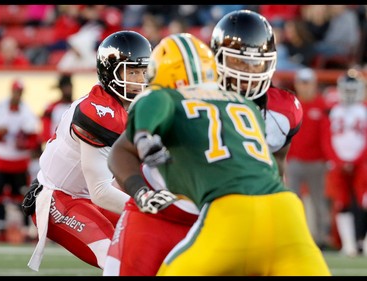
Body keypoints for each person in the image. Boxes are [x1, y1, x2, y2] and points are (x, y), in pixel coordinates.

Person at [107, 29, 331, 276]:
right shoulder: (245, 105)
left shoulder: (164, 97)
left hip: (226, 212)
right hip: (286, 210)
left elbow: (156, 102)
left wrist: (143, 136)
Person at [21, 30, 152, 272]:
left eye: (143, 71)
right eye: (132, 71)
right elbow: (101, 192)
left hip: (86, 195)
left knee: (153, 246)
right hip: (58, 197)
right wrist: (150, 205)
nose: (139, 79)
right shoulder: (99, 113)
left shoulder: (130, 108)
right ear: (110, 72)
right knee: (120, 260)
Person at [103, 33, 208, 276]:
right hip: (153, 216)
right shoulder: (156, 100)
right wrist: (140, 191)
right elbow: (120, 152)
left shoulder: (231, 106)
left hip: (207, 221)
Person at [209, 9, 303, 179]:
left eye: (256, 63)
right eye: (238, 61)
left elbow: (278, 169)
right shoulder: (198, 99)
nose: (248, 71)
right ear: (217, 59)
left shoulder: (283, 111)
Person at [322, 69, 367, 257]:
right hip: (338, 164)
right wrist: (338, 160)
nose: (349, 93)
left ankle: (364, 244)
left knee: (365, 200)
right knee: (341, 203)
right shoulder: (333, 109)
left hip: (362, 163)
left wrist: (356, 160)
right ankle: (348, 245)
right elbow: (325, 138)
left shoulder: (364, 109)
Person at [286, 67, 331, 250]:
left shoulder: (322, 105)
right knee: (292, 202)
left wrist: (328, 159)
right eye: (302, 83)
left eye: (307, 83)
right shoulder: (292, 104)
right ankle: (293, 238)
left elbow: (326, 135)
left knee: (319, 201)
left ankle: (321, 238)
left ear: (314, 84)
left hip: (317, 161)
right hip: (294, 161)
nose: (305, 87)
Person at [0, 79, 39, 241]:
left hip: (18, 162)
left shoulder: (26, 111)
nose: (17, 95)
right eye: (16, 91)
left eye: (20, 92)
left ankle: (26, 228)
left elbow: (34, 139)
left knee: (21, 195)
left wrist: (24, 143)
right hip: (1, 158)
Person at [40, 73, 74, 144]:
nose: (69, 89)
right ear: (61, 88)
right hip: (55, 145)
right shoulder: (51, 108)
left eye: (70, 86)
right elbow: (45, 130)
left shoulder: (76, 106)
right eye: (66, 86)